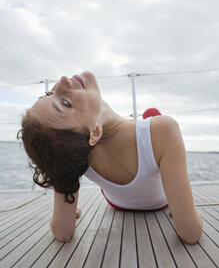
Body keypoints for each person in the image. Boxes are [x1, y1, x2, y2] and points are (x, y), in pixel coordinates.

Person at [18, 71, 203, 244]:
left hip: (117, 203)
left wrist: (65, 194)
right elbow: (190, 233)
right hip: (160, 204)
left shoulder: (75, 154)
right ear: (95, 132)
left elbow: (62, 232)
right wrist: (185, 210)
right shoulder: (164, 130)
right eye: (66, 103)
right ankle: (149, 119)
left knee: (68, 158)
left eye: (48, 93)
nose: (63, 80)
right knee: (154, 117)